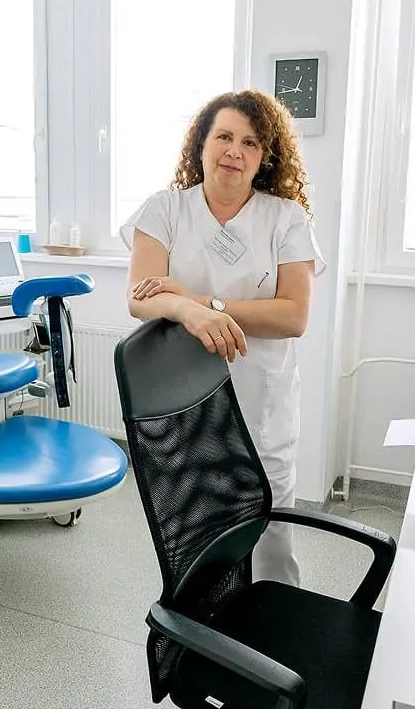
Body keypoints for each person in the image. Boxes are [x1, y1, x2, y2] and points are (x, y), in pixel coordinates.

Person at [121, 89, 323, 587]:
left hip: (262, 405)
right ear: (202, 145)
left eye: (250, 142)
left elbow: (293, 315)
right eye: (224, 137)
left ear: (264, 157)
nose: (235, 151)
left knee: (271, 538)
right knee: (199, 539)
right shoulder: (165, 210)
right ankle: (203, 627)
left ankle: (273, 624)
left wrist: (201, 301)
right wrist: (187, 313)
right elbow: (141, 297)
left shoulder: (285, 218)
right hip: (187, 403)